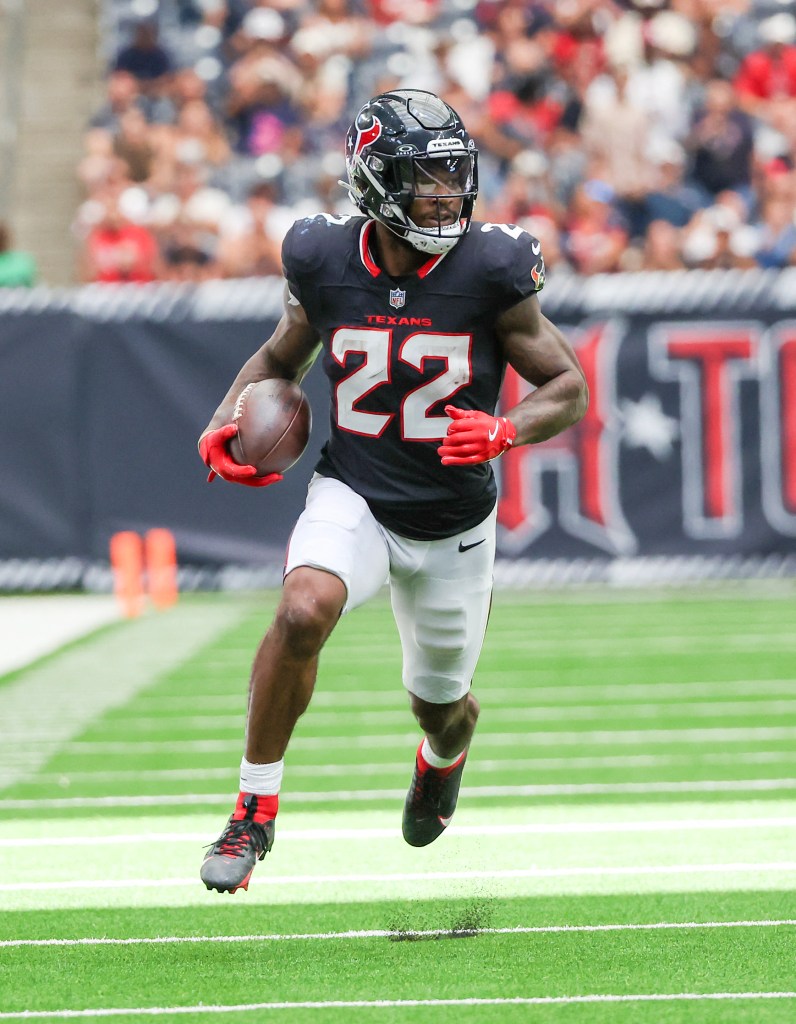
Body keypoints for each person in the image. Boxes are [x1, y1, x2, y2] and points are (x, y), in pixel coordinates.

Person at [197, 89, 588, 893]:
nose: (447, 195)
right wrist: (227, 418)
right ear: (376, 183)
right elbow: (279, 361)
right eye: (427, 179)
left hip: (454, 522)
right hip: (359, 496)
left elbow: (567, 385)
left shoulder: (492, 266)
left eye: (454, 177)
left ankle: (443, 757)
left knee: (441, 707)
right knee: (302, 607)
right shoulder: (322, 256)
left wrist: (507, 429)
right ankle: (253, 810)